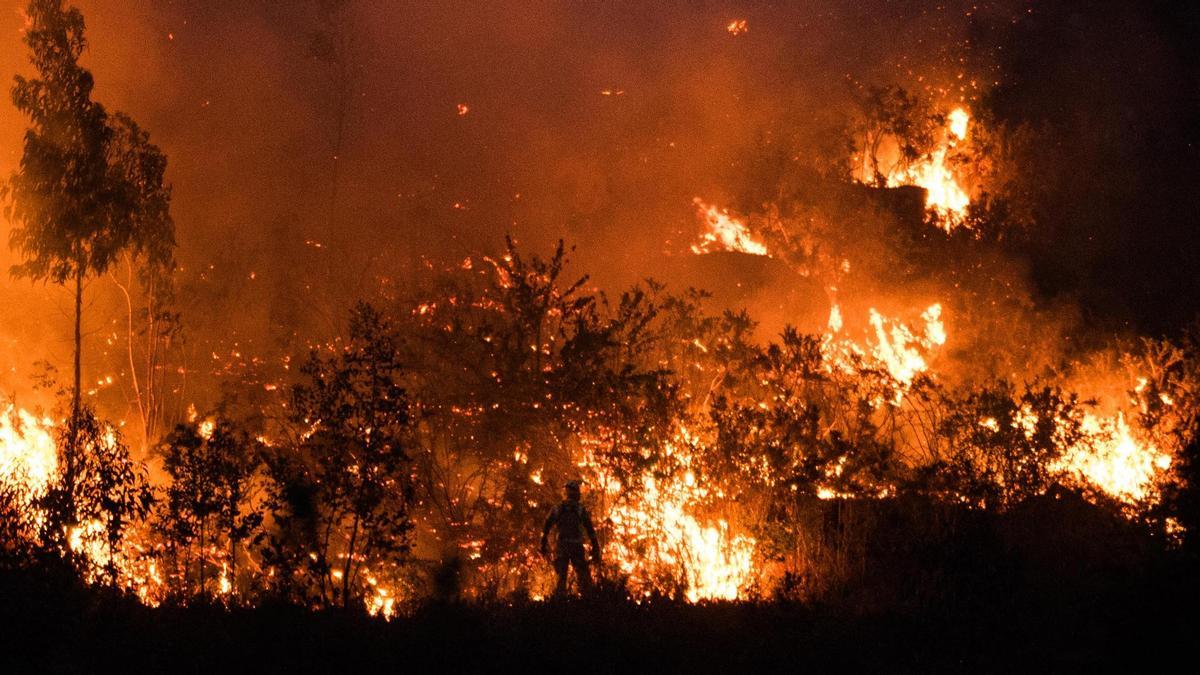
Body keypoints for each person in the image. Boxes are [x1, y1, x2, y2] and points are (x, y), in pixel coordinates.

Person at [540, 479, 601, 596]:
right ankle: (586, 600)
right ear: (575, 493)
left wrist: (543, 543)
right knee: (583, 579)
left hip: (562, 546)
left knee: (561, 578)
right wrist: (595, 545)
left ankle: (559, 601)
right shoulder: (580, 508)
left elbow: (546, 526)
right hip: (576, 546)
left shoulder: (558, 508)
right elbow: (590, 529)